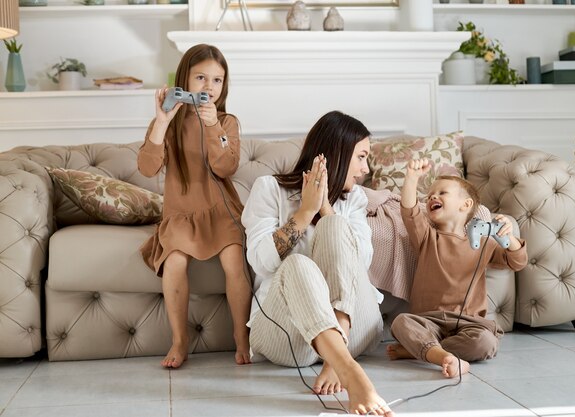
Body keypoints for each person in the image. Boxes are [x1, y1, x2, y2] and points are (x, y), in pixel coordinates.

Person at [241, 111, 394, 416]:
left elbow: (358, 264)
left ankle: (337, 359)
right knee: (298, 264)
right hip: (286, 335)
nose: (365, 170)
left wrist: (325, 210)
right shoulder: (269, 189)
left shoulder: (356, 200)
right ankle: (348, 368)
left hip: (355, 326)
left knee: (336, 228)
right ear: (337, 153)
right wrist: (304, 212)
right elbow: (261, 263)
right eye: (361, 157)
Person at [137, 44, 251, 368]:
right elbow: (147, 168)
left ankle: (241, 338)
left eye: (217, 80)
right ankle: (179, 340)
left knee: (233, 261)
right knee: (174, 262)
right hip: (181, 214)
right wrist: (161, 122)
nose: (208, 87)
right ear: (184, 78)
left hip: (220, 210)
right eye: (201, 77)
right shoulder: (168, 122)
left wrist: (214, 127)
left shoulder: (227, 122)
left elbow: (226, 168)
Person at [386, 158, 528, 378]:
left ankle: (422, 351)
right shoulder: (427, 237)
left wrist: (509, 237)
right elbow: (409, 211)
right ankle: (441, 355)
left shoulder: (484, 243)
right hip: (428, 320)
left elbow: (517, 261)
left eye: (443, 193)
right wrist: (412, 178)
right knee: (401, 323)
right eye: (430, 195)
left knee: (485, 342)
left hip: (470, 323)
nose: (433, 196)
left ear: (466, 205)